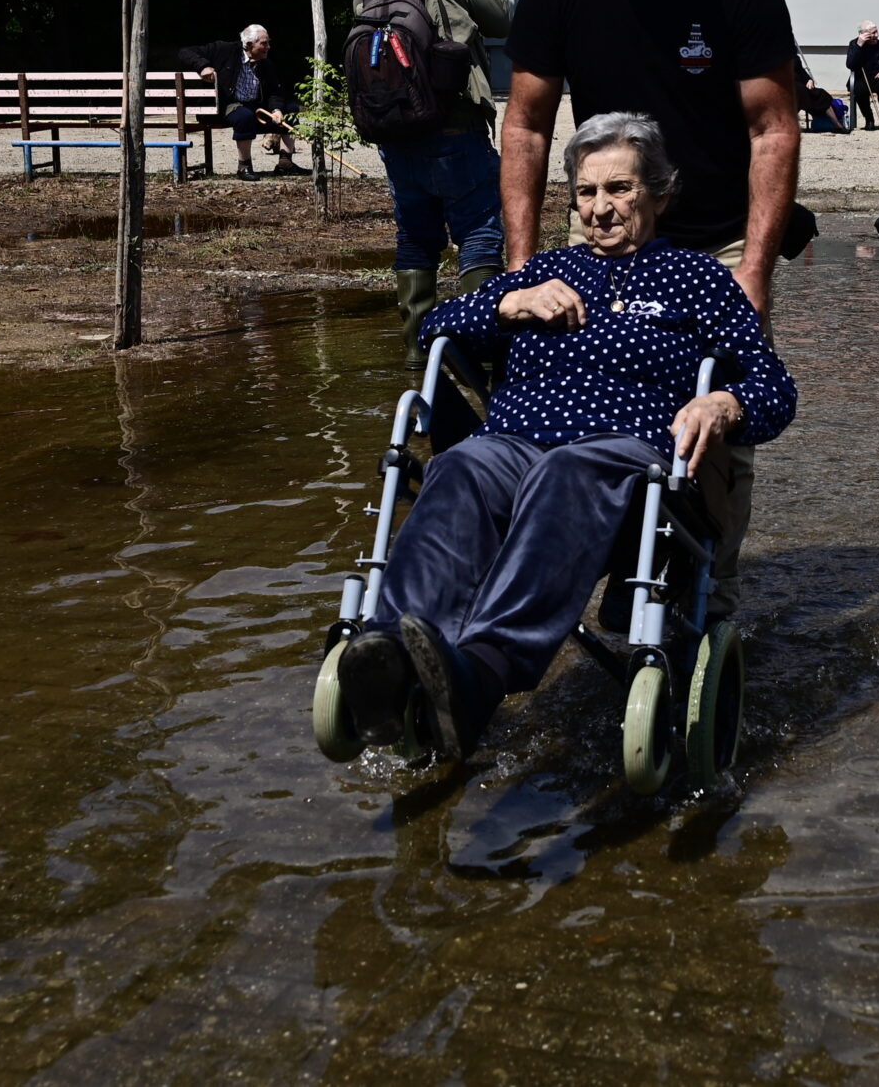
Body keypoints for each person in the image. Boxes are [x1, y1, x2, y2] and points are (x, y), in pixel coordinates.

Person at [334, 113, 796, 760]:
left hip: (625, 458)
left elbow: (776, 390)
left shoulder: (699, 280)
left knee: (570, 469)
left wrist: (724, 402)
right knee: (460, 466)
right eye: (586, 193)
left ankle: (483, 672)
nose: (600, 209)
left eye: (619, 190)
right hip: (513, 443)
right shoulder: (545, 273)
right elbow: (433, 328)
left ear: (659, 194)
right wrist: (504, 306)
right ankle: (388, 658)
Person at [499, 0, 801, 614]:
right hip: (603, 225)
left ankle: (707, 590)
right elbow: (526, 125)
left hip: (715, 238)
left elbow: (773, 129)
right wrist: (521, 268)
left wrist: (754, 268)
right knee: (574, 389)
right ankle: (590, 558)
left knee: (717, 419)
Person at [356, 0, 515, 344]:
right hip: (455, 123)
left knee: (414, 236)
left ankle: (415, 351)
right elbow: (502, 19)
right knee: (479, 231)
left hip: (395, 131)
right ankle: (483, 350)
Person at [176, 25, 301, 180]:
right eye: (264, 43)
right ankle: (244, 166)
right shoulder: (224, 50)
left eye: (268, 42)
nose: (268, 47)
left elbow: (275, 91)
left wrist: (276, 109)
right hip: (224, 105)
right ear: (249, 44)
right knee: (244, 116)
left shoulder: (266, 63)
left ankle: (285, 164)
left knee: (291, 109)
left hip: (255, 105)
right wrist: (203, 66)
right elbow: (185, 52)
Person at [845, 22, 879, 132]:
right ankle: (869, 119)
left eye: (876, 32)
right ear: (863, 34)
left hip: (878, 76)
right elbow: (850, 65)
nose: (876, 35)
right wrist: (859, 45)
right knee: (859, 89)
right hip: (861, 76)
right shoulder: (854, 44)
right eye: (873, 33)